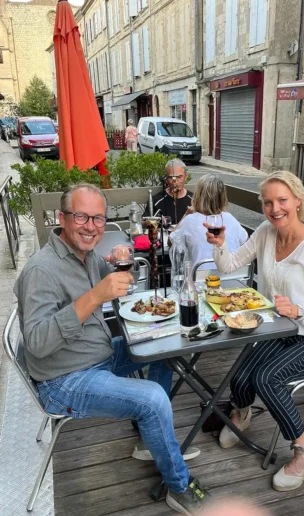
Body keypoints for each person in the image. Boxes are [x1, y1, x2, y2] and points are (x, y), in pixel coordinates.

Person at [14, 183, 210, 515]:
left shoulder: (85, 256)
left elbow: (117, 281)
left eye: (99, 219)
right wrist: (93, 296)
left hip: (96, 353)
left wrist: (122, 259)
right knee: (152, 398)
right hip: (63, 379)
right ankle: (178, 486)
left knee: (166, 346)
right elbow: (37, 342)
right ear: (62, 218)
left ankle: (152, 436)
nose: (91, 226)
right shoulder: (41, 270)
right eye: (81, 217)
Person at [204, 170, 304, 492]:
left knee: (267, 379)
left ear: (297, 201)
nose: (275, 208)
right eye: (268, 202)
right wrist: (220, 245)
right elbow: (229, 266)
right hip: (277, 330)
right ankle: (241, 412)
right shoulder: (266, 232)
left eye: (282, 200)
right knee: (239, 375)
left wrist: (300, 309)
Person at [169, 174, 248, 271]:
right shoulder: (230, 218)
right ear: (222, 197)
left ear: (198, 195)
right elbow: (245, 241)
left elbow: (171, 242)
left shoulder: (190, 221)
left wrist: (186, 215)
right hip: (234, 279)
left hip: (200, 281)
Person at [143, 158, 193, 224]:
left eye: (179, 177)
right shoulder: (156, 201)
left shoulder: (194, 200)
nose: (175, 182)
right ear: (166, 178)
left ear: (186, 177)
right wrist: (156, 221)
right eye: (171, 177)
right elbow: (143, 223)